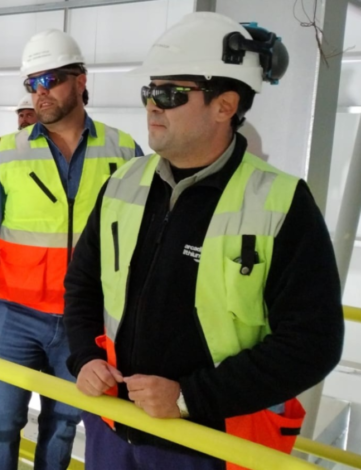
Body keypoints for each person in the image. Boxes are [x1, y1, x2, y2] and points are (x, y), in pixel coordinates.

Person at [63, 12, 344, 470]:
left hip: (208, 444)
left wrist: (191, 397)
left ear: (225, 106)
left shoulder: (281, 203)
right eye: (149, 92)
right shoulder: (123, 183)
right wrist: (84, 357)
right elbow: (82, 285)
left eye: (170, 94)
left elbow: (313, 343)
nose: (153, 105)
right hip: (112, 427)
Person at [0, 29, 143, 470]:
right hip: (13, 317)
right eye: (32, 83)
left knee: (63, 424)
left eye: (52, 79)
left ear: (81, 80)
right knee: (0, 421)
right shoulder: (6, 154)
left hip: (86, 321)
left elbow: (140, 241)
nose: (40, 92)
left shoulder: (125, 153)